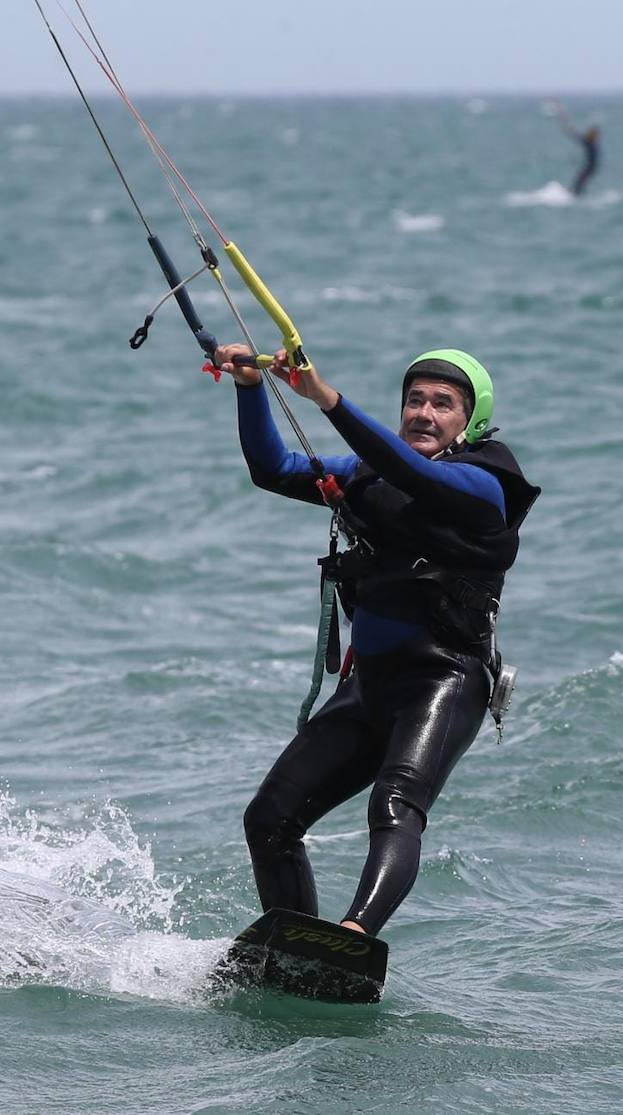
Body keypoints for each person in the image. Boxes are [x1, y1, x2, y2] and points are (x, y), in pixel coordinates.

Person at [213, 342, 540, 938]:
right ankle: (297, 944)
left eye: (443, 404)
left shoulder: (484, 486)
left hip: (443, 682)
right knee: (269, 818)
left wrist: (325, 398)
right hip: (369, 688)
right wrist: (250, 386)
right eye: (415, 400)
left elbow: (414, 474)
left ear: (472, 421)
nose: (424, 413)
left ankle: (356, 933)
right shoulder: (369, 475)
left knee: (393, 807)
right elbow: (273, 468)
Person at [553, 103, 600, 196]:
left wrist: (564, 120)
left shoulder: (591, 143)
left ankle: (575, 194)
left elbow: (574, 134)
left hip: (591, 167)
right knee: (579, 181)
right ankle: (575, 194)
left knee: (580, 181)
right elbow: (574, 134)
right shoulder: (589, 142)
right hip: (591, 166)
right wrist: (565, 122)